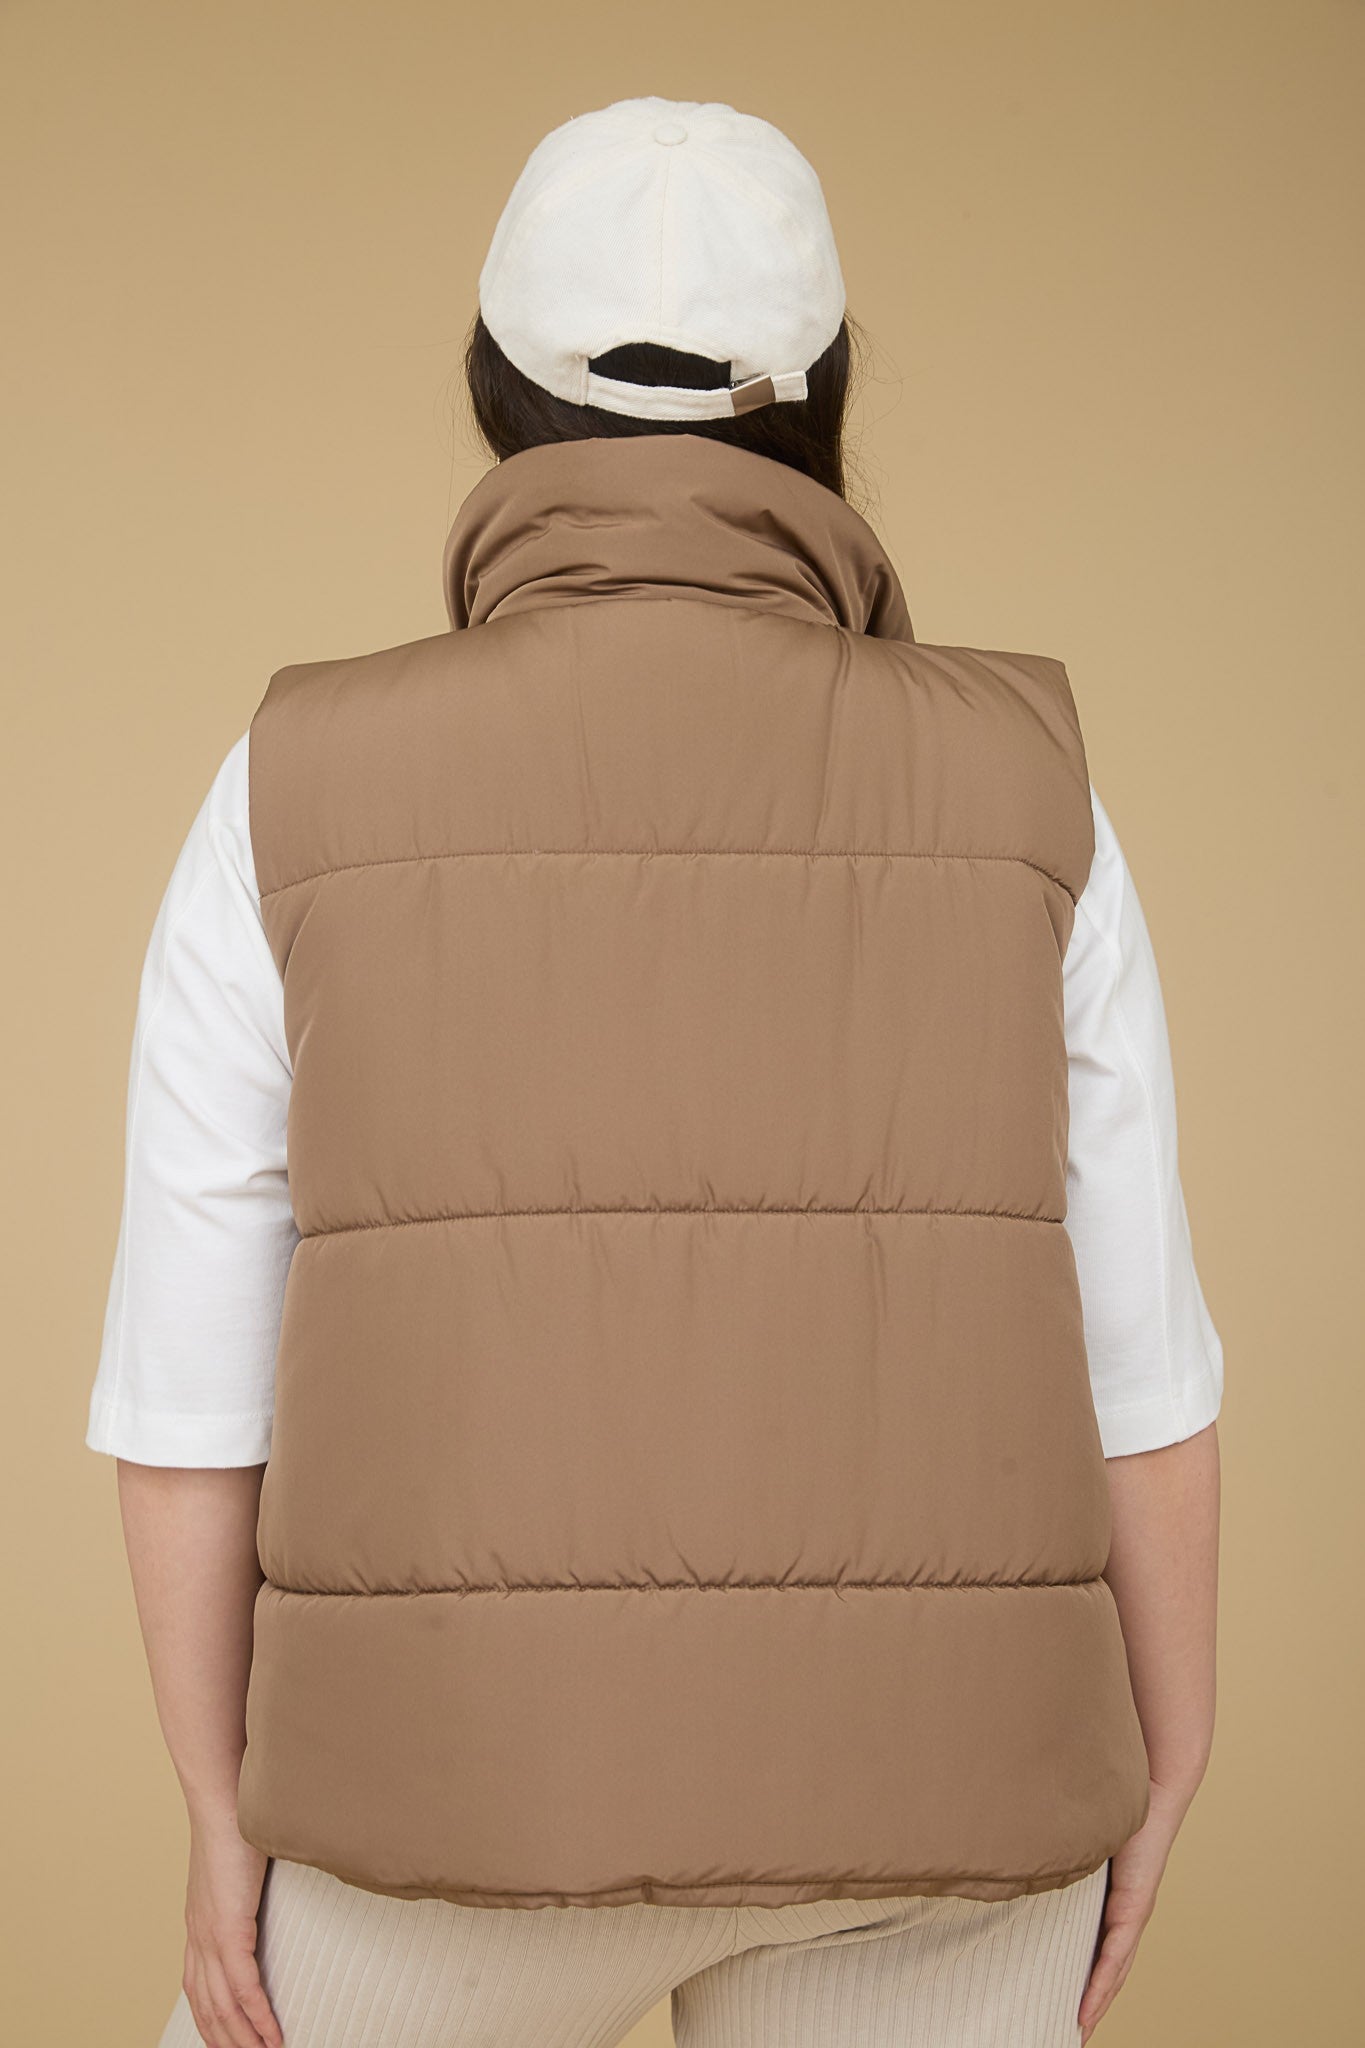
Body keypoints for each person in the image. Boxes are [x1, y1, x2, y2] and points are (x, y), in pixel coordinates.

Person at [87, 97, 1223, 2048]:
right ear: (821, 395)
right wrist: (1167, 1751)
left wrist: (215, 1809)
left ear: (497, 387)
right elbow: (1140, 1359)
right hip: (946, 1810)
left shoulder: (291, 777)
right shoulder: (1028, 779)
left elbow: (187, 1386)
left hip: (443, 1804)